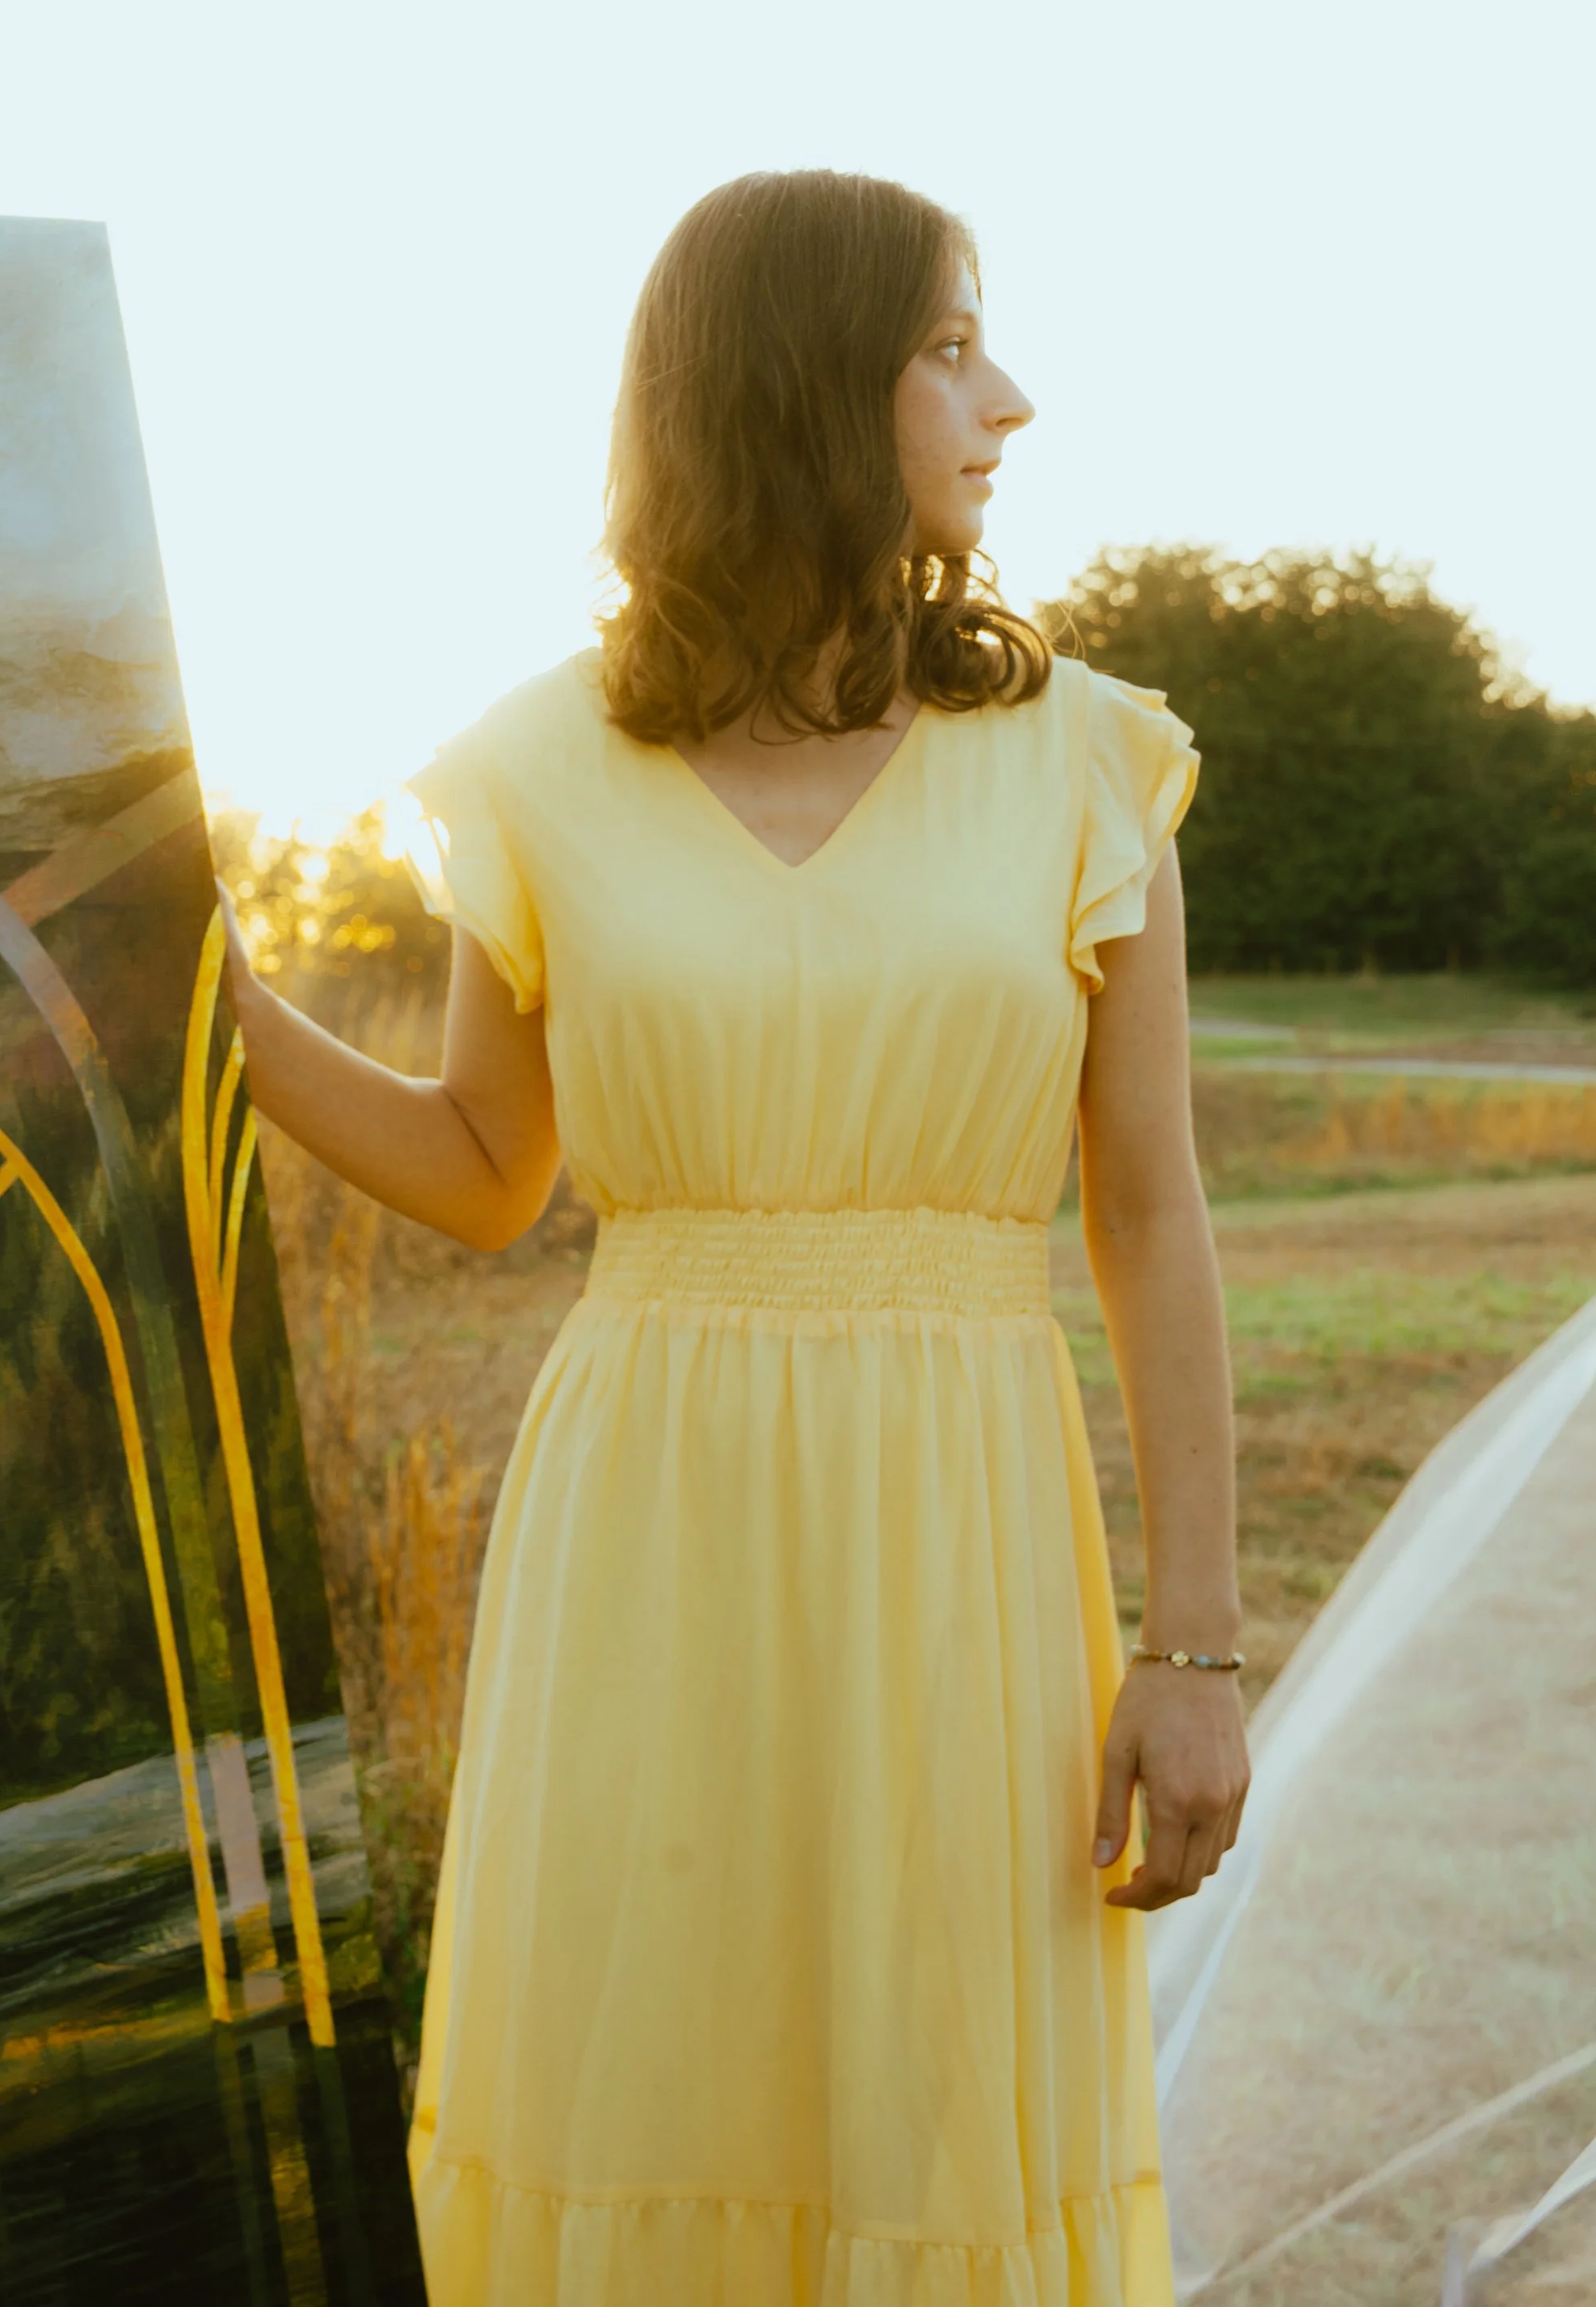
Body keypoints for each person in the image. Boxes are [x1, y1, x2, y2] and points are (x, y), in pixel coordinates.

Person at [222, 168, 1248, 2305]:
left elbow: (1146, 1213)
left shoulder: (1082, 758)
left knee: (935, 2086)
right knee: (646, 2050)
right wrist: (206, 1010)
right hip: (647, 1508)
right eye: (951, 343)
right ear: (796, 383)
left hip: (964, 1506)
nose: (1010, 399)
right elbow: (488, 1165)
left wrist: (1194, 1643)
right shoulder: (536, 766)